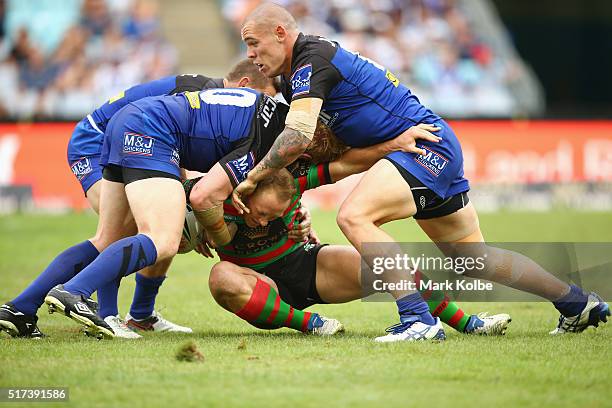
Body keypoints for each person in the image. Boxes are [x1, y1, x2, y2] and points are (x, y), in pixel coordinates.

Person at [230, 3, 609, 341]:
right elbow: (331, 145)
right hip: (429, 144)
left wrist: (253, 176)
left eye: (254, 43)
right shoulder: (305, 67)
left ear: (280, 33)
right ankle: (576, 302)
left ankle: (417, 319)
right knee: (475, 259)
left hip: (422, 146)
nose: (251, 54)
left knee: (354, 216)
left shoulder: (311, 60)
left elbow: (297, 136)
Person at [0, 60, 279, 339]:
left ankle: (23, 308)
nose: (265, 104)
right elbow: (160, 132)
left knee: (128, 231)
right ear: (244, 85)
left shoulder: (208, 94)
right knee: (135, 231)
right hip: (95, 142)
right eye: (266, 95)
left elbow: (172, 152)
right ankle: (104, 313)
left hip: (126, 135)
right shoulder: (211, 97)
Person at [196, 125, 511, 337]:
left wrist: (396, 143)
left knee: (387, 260)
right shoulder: (214, 192)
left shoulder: (298, 179)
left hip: (307, 267)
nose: (264, 221)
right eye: (261, 213)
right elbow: (173, 215)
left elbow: (350, 164)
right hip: (257, 285)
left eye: (273, 214)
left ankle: (467, 323)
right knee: (220, 277)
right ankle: (311, 324)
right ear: (247, 191)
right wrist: (197, 231)